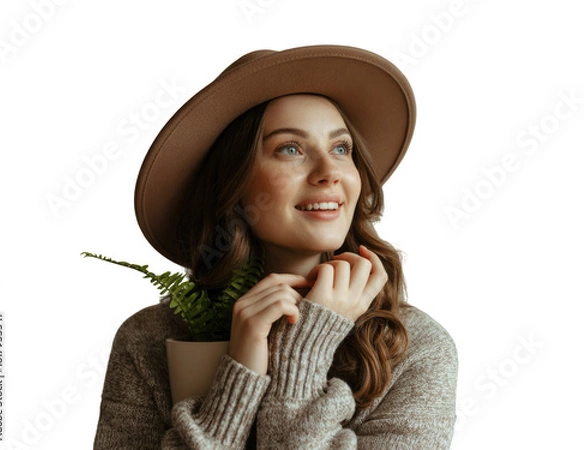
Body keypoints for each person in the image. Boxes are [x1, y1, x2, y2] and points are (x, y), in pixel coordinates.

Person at [93, 45, 458, 449]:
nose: (329, 172)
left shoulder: (414, 349)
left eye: (341, 148)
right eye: (290, 149)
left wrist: (305, 348)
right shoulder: (148, 340)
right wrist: (239, 373)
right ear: (233, 184)